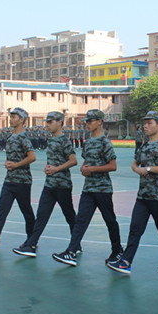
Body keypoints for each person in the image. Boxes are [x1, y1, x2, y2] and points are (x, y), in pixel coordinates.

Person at [106, 111, 158, 275]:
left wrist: (149, 169)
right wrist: (137, 169)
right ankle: (126, 261)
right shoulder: (144, 146)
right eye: (145, 123)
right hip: (143, 195)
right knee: (135, 229)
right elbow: (135, 163)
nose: (145, 126)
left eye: (149, 123)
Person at [52, 109, 123, 266]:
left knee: (110, 221)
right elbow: (86, 161)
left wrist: (92, 169)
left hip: (102, 189)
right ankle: (71, 251)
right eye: (87, 122)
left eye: (90, 121)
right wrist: (84, 168)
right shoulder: (88, 142)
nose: (87, 124)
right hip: (89, 188)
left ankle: (117, 250)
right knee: (80, 221)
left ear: (99, 122)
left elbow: (113, 166)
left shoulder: (104, 142)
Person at [13, 111, 78, 257]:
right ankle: (31, 244)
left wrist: (56, 169)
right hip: (49, 185)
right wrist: (49, 168)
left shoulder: (64, 141)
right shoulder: (51, 139)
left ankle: (76, 245)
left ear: (60, 122)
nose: (47, 125)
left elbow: (73, 160)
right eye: (46, 122)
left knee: (70, 216)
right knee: (42, 215)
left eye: (50, 122)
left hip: (62, 185)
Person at [0, 108, 37, 249]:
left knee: (26, 211)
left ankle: (32, 240)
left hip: (22, 181)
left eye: (14, 117)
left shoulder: (23, 137)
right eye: (11, 116)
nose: (11, 119)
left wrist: (16, 165)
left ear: (21, 120)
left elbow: (32, 157)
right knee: (2, 209)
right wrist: (9, 164)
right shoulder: (11, 137)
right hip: (10, 179)